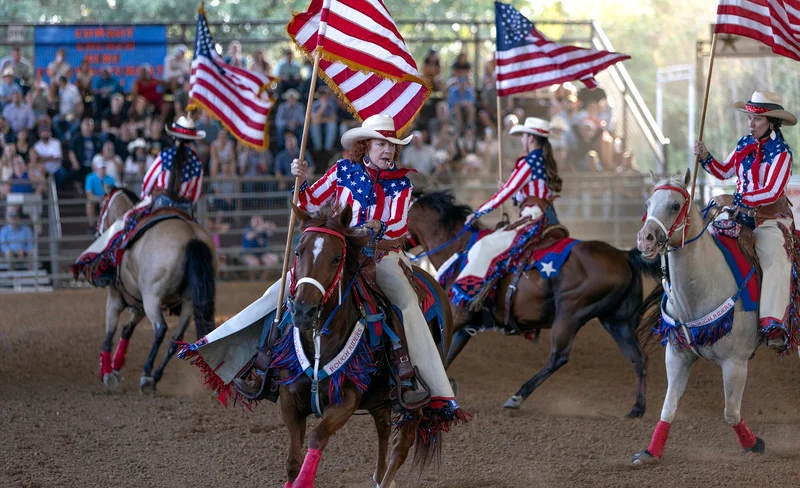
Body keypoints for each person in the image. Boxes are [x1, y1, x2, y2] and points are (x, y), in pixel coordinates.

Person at [195, 115, 465, 424]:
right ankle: (259, 364)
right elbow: (310, 205)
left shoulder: (401, 183)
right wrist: (302, 179)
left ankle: (411, 377)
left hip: (382, 256)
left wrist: (379, 227)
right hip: (338, 253)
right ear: (365, 146)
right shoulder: (342, 171)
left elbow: (399, 227)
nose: (387, 150)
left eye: (391, 144)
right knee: (281, 290)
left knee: (406, 302)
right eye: (381, 143)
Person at [693, 90, 796, 350]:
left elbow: (771, 192)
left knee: (774, 257)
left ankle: (773, 324)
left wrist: (734, 199)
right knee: (705, 241)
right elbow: (725, 170)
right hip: (740, 215)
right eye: (749, 118)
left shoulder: (782, 153)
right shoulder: (743, 144)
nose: (751, 124)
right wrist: (705, 156)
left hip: (770, 219)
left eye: (757, 119)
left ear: (771, 122)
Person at [72, 116, 207, 286]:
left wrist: (145, 198)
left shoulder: (165, 155)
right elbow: (196, 194)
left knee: (128, 223)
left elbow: (148, 181)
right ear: (192, 140)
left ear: (174, 137)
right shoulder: (197, 162)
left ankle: (109, 268)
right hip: (186, 208)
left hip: (161, 203)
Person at [450, 117, 564, 305]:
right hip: (545, 214)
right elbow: (533, 193)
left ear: (530, 138)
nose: (521, 140)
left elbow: (504, 194)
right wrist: (514, 193)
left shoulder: (528, 163)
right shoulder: (542, 162)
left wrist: (477, 213)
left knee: (485, 245)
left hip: (532, 218)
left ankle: (470, 296)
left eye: (523, 136)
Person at [0, 206, 33, 270]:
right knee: (8, 253)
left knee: (32, 252)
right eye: (12, 217)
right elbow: (3, 245)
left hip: (24, 253)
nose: (14, 219)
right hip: (11, 253)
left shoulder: (26, 229)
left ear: (19, 218)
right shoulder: (4, 230)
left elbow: (30, 243)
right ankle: (12, 274)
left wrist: (24, 250)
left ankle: (31, 274)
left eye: (16, 217)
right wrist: (13, 251)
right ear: (8, 218)